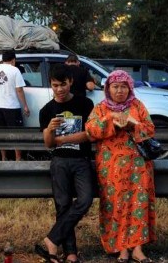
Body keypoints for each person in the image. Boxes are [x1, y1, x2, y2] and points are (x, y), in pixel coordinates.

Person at [85, 70, 156, 263]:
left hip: (138, 166)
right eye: (115, 87)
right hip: (111, 167)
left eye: (123, 86)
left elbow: (150, 129)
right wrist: (111, 121)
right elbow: (91, 130)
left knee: (137, 204)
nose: (119, 91)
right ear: (108, 88)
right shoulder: (100, 108)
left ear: (129, 88)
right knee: (115, 205)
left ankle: (138, 249)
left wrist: (134, 126)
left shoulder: (138, 106)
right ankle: (121, 248)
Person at [35, 64, 94, 263]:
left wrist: (63, 139)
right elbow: (49, 145)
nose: (59, 89)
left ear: (71, 82)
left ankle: (52, 238)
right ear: (50, 85)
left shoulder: (85, 104)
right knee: (63, 205)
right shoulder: (47, 110)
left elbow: (89, 135)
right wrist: (51, 131)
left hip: (81, 160)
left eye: (63, 84)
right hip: (59, 161)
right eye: (55, 85)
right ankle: (71, 253)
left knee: (85, 200)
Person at [0, 50, 30, 161]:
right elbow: (19, 89)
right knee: (16, 134)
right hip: (12, 107)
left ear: (3, 59)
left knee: (1, 134)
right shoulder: (15, 70)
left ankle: (4, 158)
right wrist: (25, 106)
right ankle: (17, 158)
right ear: (13, 60)